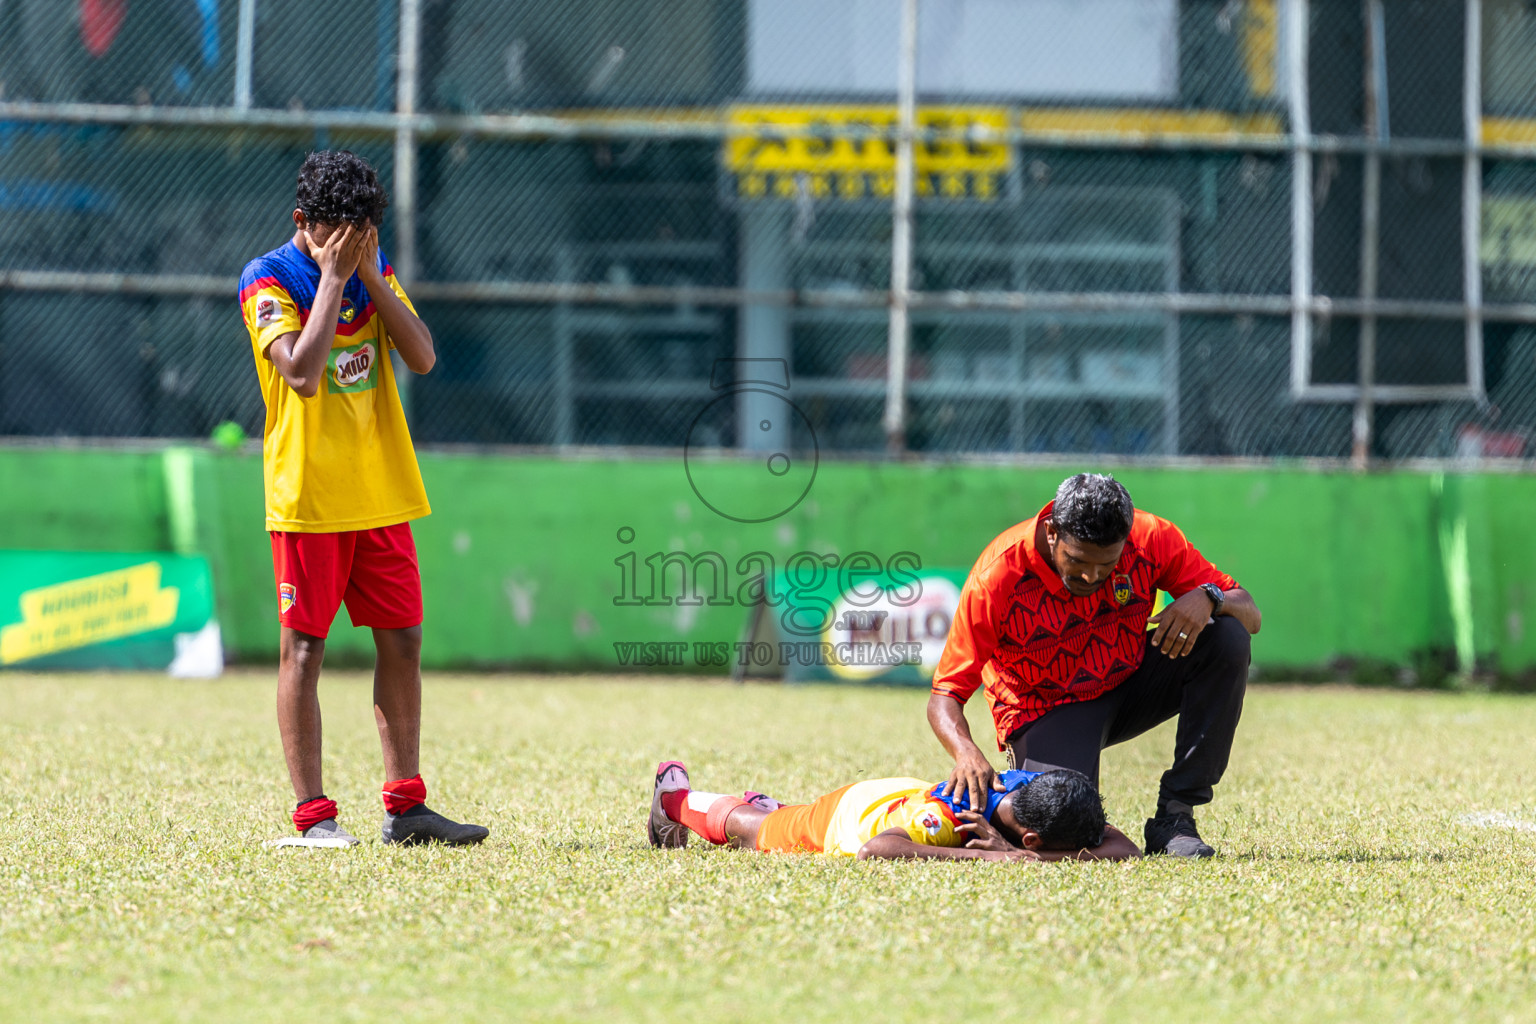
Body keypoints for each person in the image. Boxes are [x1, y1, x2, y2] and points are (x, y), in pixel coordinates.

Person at [239, 150, 487, 847]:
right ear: (301, 223)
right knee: (305, 651)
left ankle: (407, 809)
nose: (347, 245)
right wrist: (333, 279)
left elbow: (423, 356)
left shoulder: (369, 272)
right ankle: (314, 819)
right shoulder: (266, 280)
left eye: (362, 233)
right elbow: (304, 373)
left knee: (403, 640)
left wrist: (368, 276)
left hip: (379, 493)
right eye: (334, 235)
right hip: (309, 500)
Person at [927, 473, 1261, 859]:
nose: (1091, 576)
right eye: (1078, 560)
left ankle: (1175, 815)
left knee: (1226, 636)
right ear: (1052, 532)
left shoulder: (1151, 537)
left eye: (1107, 564)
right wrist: (965, 751)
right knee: (1064, 829)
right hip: (1047, 710)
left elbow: (1249, 613)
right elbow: (944, 696)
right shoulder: (998, 575)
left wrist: (1209, 597)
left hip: (1131, 682)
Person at [645, 760, 1140, 862]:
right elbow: (876, 850)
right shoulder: (948, 821)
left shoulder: (1039, 790)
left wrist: (1038, 858)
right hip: (855, 816)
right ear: (1029, 839)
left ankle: (766, 803)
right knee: (755, 833)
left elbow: (1126, 848)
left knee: (784, 815)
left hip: (900, 793)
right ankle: (674, 801)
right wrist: (992, 858)